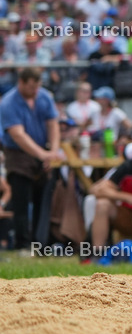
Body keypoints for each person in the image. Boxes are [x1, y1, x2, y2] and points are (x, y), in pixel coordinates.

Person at [0, 68, 60, 250]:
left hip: (43, 149)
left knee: (42, 199)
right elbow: (18, 135)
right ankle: (23, 245)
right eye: (31, 87)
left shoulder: (44, 97)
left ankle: (39, 245)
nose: (35, 91)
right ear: (22, 83)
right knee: (21, 199)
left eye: (37, 86)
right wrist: (43, 155)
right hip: (17, 153)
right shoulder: (8, 102)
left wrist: (53, 151)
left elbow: (53, 124)